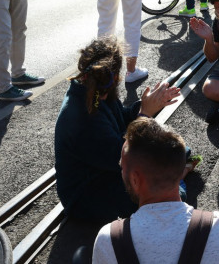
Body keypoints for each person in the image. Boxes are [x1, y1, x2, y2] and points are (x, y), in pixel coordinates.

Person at [91, 118, 219, 264]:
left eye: (122, 167)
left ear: (135, 180)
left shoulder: (109, 240)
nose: (121, 171)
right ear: (180, 171)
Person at [54, 37, 182, 223]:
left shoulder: (98, 92)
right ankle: (180, 175)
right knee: (167, 194)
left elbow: (122, 118)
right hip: (86, 196)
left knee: (172, 151)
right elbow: (123, 158)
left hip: (106, 171)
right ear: (114, 77)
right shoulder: (82, 115)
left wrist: (148, 105)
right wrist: (145, 114)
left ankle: (178, 172)